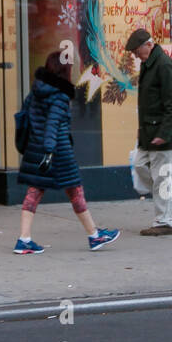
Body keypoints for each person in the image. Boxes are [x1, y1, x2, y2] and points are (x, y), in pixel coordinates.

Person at [13, 52, 119, 253]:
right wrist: (49, 150)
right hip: (57, 152)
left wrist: (38, 149)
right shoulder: (60, 94)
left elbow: (24, 115)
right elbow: (52, 124)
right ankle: (94, 236)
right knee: (76, 192)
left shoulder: (36, 90)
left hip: (37, 150)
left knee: (34, 193)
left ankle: (24, 239)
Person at [127, 28, 172, 236]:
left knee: (161, 176)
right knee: (139, 165)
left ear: (149, 45)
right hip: (149, 131)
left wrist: (165, 132)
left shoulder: (164, 65)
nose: (135, 56)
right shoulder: (150, 64)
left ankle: (164, 221)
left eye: (137, 51)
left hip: (162, 132)